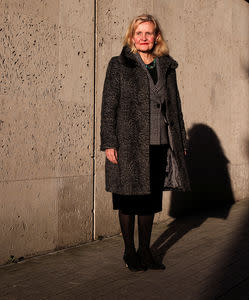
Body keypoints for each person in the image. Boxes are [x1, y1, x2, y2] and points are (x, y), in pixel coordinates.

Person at [100, 14, 190, 271]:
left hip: (159, 142)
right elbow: (109, 106)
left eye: (148, 33)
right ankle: (130, 252)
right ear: (131, 36)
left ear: (156, 37)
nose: (143, 38)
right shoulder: (119, 65)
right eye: (138, 33)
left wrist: (180, 140)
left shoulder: (166, 67)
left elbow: (176, 109)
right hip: (128, 144)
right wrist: (109, 142)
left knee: (150, 202)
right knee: (129, 200)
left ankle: (145, 251)